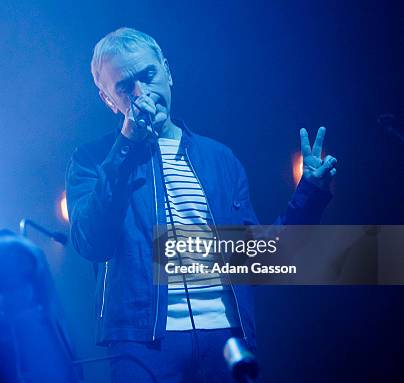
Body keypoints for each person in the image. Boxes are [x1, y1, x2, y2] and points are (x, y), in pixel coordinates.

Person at [66, 27, 337, 383]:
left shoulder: (219, 158)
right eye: (123, 87)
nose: (140, 93)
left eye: (148, 75)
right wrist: (127, 145)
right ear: (108, 100)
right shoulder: (92, 160)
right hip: (142, 343)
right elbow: (91, 242)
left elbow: (260, 259)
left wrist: (310, 194)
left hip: (226, 336)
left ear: (167, 71)